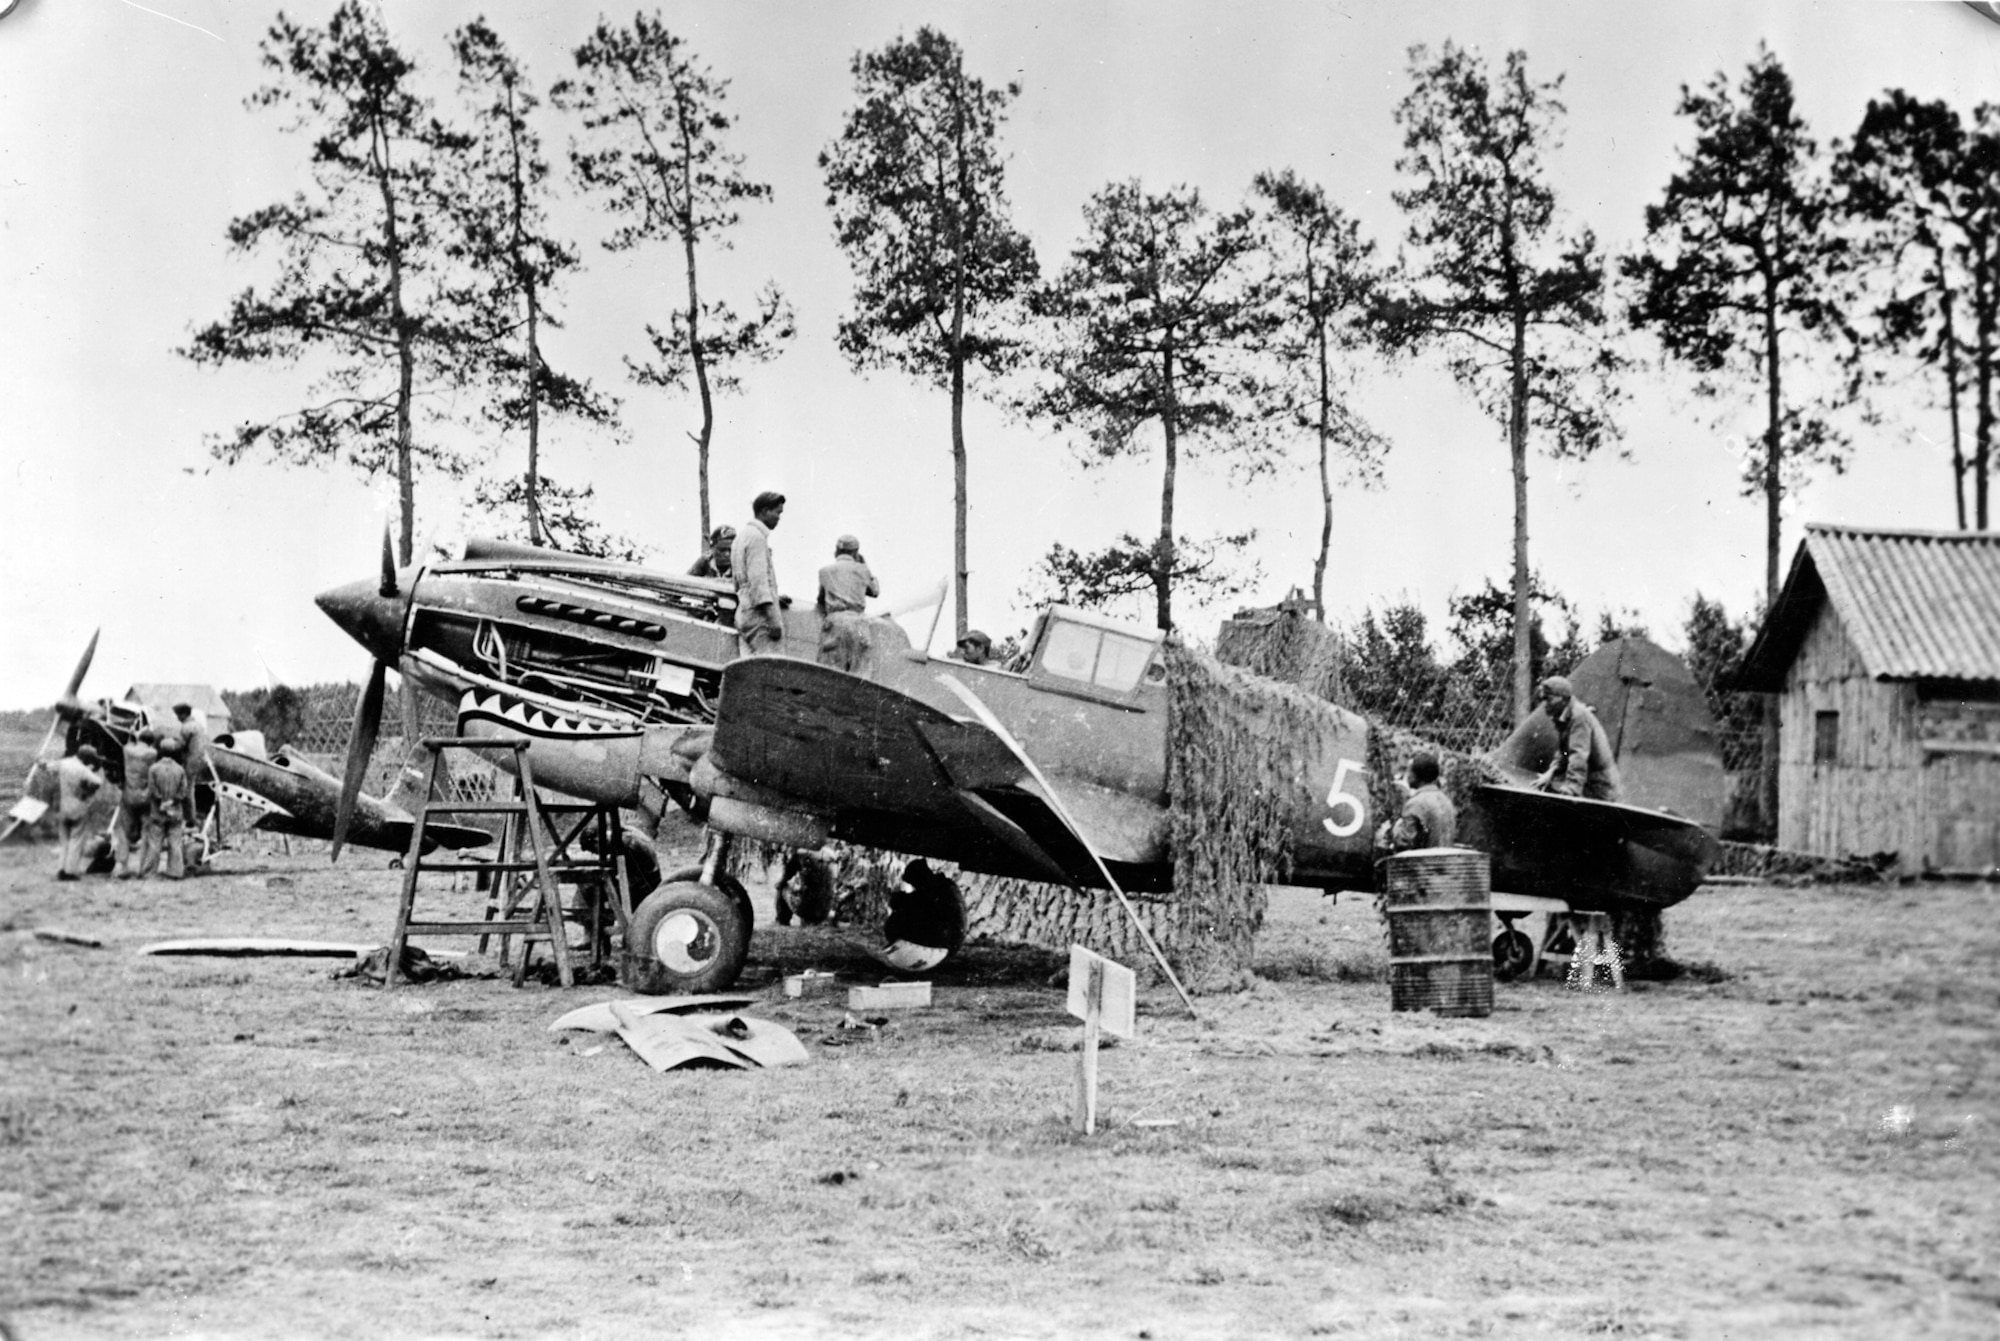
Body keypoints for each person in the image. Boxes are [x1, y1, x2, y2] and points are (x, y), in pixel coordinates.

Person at [1534, 675, 1623, 802]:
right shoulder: (1564, 716)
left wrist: (1572, 789)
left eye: (1549, 699)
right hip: (1589, 782)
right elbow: (1563, 751)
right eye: (1543, 699)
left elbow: (1578, 755)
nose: (1545, 704)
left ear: (1563, 699)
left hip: (1600, 787)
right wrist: (1551, 772)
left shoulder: (1579, 717)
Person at [729, 491, 787, 655]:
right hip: (760, 617)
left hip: (744, 612)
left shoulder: (741, 537)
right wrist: (773, 620)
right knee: (770, 668)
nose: (778, 518)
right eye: (777, 512)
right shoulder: (757, 538)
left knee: (748, 665)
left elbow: (738, 583)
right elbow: (758, 583)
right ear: (764, 511)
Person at [815, 534, 878, 672]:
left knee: (829, 672)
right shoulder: (863, 570)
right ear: (856, 552)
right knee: (859, 671)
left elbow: (820, 600)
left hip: (835, 622)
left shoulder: (825, 571)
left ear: (836, 551)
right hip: (858, 623)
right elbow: (875, 591)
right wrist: (864, 564)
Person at [139, 737, 192, 881]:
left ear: (161, 751)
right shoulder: (180, 769)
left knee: (155, 843)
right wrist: (173, 801)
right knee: (175, 843)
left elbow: (152, 789)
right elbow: (184, 791)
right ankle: (175, 872)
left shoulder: (154, 768)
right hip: (175, 812)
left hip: (158, 811)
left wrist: (161, 801)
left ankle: (149, 873)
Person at [54, 744, 107, 881]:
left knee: (64, 841)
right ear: (86, 758)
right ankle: (70, 871)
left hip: (63, 804)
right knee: (76, 839)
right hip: (78, 805)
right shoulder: (83, 769)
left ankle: (61, 868)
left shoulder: (63, 763)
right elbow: (98, 781)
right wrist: (87, 790)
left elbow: (48, 767)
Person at [112, 728, 159, 879]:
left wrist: (133, 733)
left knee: (123, 831)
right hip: (146, 797)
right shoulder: (153, 754)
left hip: (129, 795)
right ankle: (144, 870)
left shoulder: (127, 750)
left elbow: (128, 742)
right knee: (147, 833)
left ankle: (121, 865)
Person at [1387, 750, 1457, 851]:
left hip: (1422, 864)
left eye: (1409, 770)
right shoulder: (1446, 800)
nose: (1407, 775)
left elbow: (1404, 843)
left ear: (1416, 775)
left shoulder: (1416, 803)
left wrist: (1395, 829)